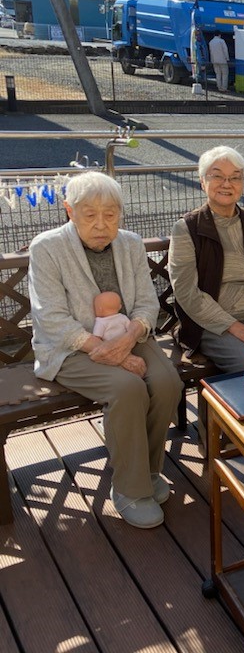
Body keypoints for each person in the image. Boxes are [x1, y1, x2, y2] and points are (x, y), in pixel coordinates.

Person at [28, 171, 183, 529]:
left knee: (166, 383)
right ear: (69, 211)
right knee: (126, 388)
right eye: (90, 214)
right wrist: (99, 347)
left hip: (127, 336)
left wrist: (130, 338)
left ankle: (148, 470)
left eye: (110, 214)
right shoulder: (47, 247)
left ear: (121, 215)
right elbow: (50, 317)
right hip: (69, 348)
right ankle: (130, 489)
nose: (101, 224)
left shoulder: (129, 244)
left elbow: (146, 302)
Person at [169, 146, 244, 375]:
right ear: (202, 181)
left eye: (235, 177)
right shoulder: (187, 228)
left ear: (243, 184)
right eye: (217, 176)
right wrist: (232, 326)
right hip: (213, 324)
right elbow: (186, 291)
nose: (227, 183)